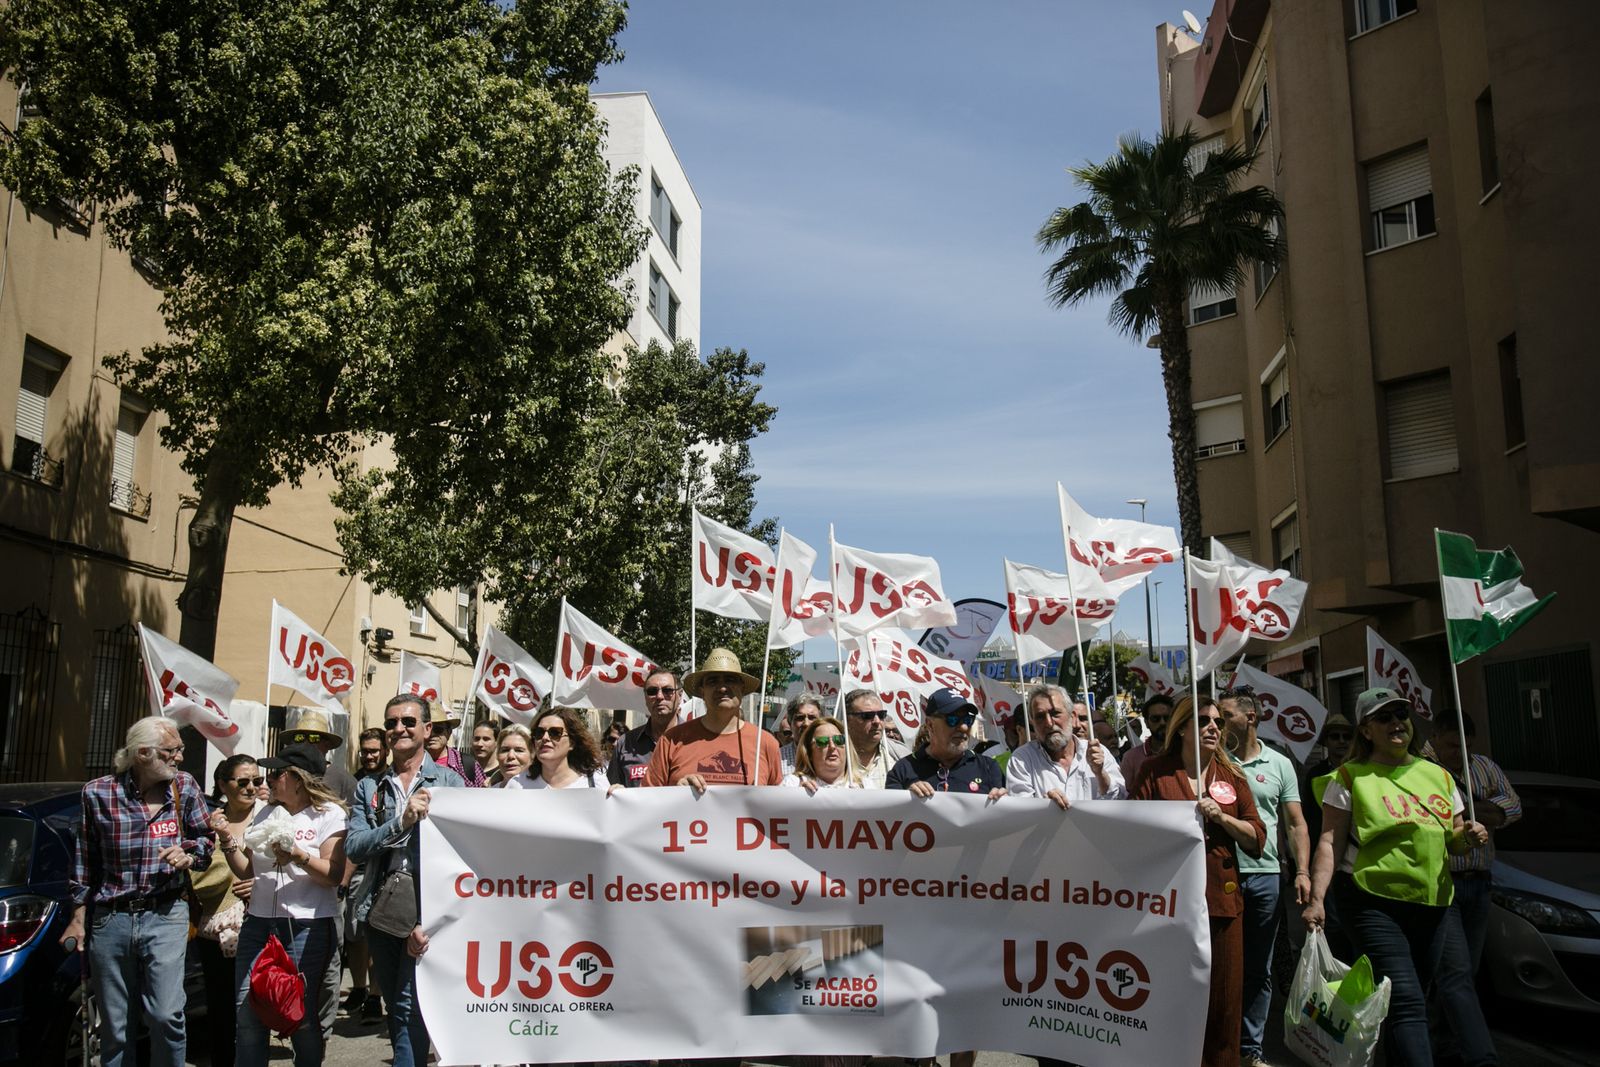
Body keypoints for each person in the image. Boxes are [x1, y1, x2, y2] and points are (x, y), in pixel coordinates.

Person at [1301, 688, 1495, 1067]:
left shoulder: (1438, 776)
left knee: (1416, 996)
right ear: (1367, 730)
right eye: (1384, 717)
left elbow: (1452, 842)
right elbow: (1329, 841)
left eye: (1402, 715)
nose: (1396, 723)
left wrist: (1467, 837)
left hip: (1433, 902)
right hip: (1371, 901)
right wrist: (1317, 898)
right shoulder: (1348, 777)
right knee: (1405, 997)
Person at [60, 716, 214, 1067]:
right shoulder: (98, 793)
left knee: (165, 1014)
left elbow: (207, 839)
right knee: (116, 1025)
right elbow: (86, 860)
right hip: (111, 918)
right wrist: (78, 917)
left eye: (181, 750)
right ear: (143, 754)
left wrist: (189, 854)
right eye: (171, 751)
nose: (179, 757)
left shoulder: (184, 788)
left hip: (166, 914)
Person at [1131, 695, 1265, 1067]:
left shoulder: (1232, 776)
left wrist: (1222, 819)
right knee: (1172, 1001)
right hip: (1168, 907)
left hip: (1222, 906)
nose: (1214, 728)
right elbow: (1130, 830)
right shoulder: (1155, 772)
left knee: (1223, 1007)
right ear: (1183, 726)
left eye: (1219, 722)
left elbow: (1257, 838)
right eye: (1205, 721)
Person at [346, 695, 466, 1067]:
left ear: (427, 729)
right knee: (395, 1008)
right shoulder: (369, 787)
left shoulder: (450, 782)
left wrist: (433, 917)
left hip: (428, 910)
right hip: (380, 909)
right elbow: (355, 845)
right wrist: (401, 823)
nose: (399, 728)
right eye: (392, 722)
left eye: (408, 722)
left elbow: (462, 852)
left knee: (409, 1005)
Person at [223, 743, 348, 1067]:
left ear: (297, 778)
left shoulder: (329, 814)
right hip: (258, 924)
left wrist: (299, 856)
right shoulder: (266, 812)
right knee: (246, 1011)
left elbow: (334, 875)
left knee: (299, 1015)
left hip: (307, 926)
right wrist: (226, 841)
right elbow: (248, 870)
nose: (268, 780)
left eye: (276, 773)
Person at [1219, 686, 1310, 1067]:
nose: (1217, 725)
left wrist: (1303, 871)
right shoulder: (1214, 762)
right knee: (1221, 964)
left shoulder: (1280, 765)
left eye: (1225, 717)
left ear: (1250, 718)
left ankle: (1250, 1050)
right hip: (1220, 876)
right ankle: (1218, 1046)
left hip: (1266, 877)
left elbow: (1295, 823)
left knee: (1259, 967)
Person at [1427, 711, 1520, 973]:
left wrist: (1462, 809)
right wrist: (1488, 810)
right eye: (1453, 746)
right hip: (1445, 883)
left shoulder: (1485, 767)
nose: (1460, 753)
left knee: (1471, 966)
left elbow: (1513, 808)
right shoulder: (1424, 770)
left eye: (1466, 747)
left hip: (1480, 881)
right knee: (1454, 970)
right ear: (1435, 738)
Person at [191, 753, 261, 1067]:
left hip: (257, 926)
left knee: (251, 1008)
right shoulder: (207, 822)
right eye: (242, 781)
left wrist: (259, 884)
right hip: (214, 928)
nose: (251, 788)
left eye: (256, 781)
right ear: (223, 784)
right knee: (219, 1007)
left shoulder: (269, 817)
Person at [644, 648, 783, 790]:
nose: (722, 688)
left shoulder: (766, 743)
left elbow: (780, 806)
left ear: (742, 688)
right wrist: (676, 793)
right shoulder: (671, 741)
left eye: (730, 680)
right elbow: (647, 802)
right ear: (702, 691)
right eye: (713, 681)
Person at [1006, 684, 1126, 807]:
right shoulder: (1021, 760)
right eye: (1040, 717)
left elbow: (1121, 802)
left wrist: (1100, 774)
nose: (1049, 723)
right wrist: (1044, 806)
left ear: (1072, 716)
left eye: (1055, 713)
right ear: (1032, 722)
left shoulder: (1099, 753)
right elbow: (1022, 812)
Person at [887, 687, 1006, 799]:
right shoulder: (902, 770)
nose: (964, 727)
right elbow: (891, 817)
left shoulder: (988, 767)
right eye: (952, 720)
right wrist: (906, 799)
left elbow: (1005, 818)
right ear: (930, 725)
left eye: (968, 720)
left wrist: (1003, 802)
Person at [344, 728, 388, 1023]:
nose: (370, 755)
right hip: (355, 866)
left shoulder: (391, 781)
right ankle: (359, 987)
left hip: (381, 869)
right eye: (365, 751)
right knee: (355, 935)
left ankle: (375, 995)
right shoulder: (357, 782)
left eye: (375, 750)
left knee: (375, 936)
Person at [608, 668, 683, 788]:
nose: (659, 696)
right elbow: (612, 792)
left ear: (680, 695)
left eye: (667, 690)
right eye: (652, 691)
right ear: (645, 698)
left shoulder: (696, 741)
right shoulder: (625, 743)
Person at [282, 707, 358, 804]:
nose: (306, 743)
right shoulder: (286, 775)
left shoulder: (342, 778)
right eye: (300, 737)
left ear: (327, 745)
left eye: (314, 738)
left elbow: (358, 814)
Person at [523, 708, 608, 788]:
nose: (545, 738)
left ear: (571, 743)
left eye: (555, 733)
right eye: (539, 732)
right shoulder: (519, 784)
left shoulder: (595, 783)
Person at [843, 688, 910, 789]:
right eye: (867, 716)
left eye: (881, 714)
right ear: (848, 720)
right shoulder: (834, 756)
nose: (877, 721)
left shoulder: (901, 756)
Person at [783, 717, 858, 792]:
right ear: (809, 752)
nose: (832, 746)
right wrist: (797, 795)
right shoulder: (793, 784)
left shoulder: (865, 785)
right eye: (822, 741)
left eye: (838, 740)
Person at [1119, 694, 1174, 786]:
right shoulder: (1130, 758)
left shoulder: (1186, 753)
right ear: (1146, 723)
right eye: (1155, 718)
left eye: (1167, 718)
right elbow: (1125, 795)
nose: (1162, 723)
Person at [778, 692, 825, 776]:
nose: (806, 723)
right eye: (800, 718)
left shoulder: (833, 754)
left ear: (821, 722)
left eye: (812, 718)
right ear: (790, 723)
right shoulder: (777, 758)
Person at [422, 708, 468, 781]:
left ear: (449, 733)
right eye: (427, 729)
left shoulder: (465, 763)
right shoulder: (409, 762)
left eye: (438, 729)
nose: (432, 734)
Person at [466, 719, 501, 787]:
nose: (479, 744)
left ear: (497, 742)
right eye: (476, 739)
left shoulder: (502, 772)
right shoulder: (464, 769)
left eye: (486, 739)